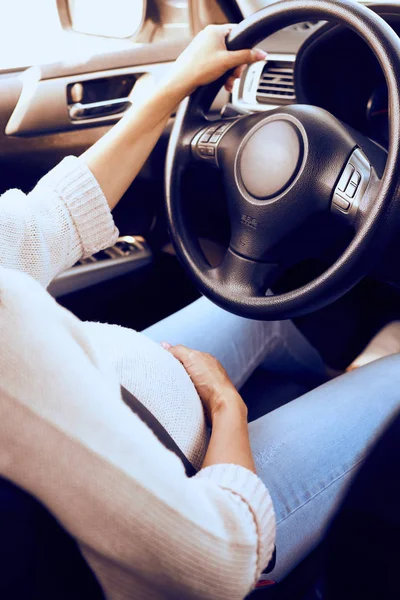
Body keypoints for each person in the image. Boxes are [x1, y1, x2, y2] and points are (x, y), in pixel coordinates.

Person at [1, 24, 400, 599]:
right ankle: (376, 370)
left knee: (265, 307)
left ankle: (358, 363)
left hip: (126, 386)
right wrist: (226, 408)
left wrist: (170, 90)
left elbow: (39, 228)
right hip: (199, 493)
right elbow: (217, 562)